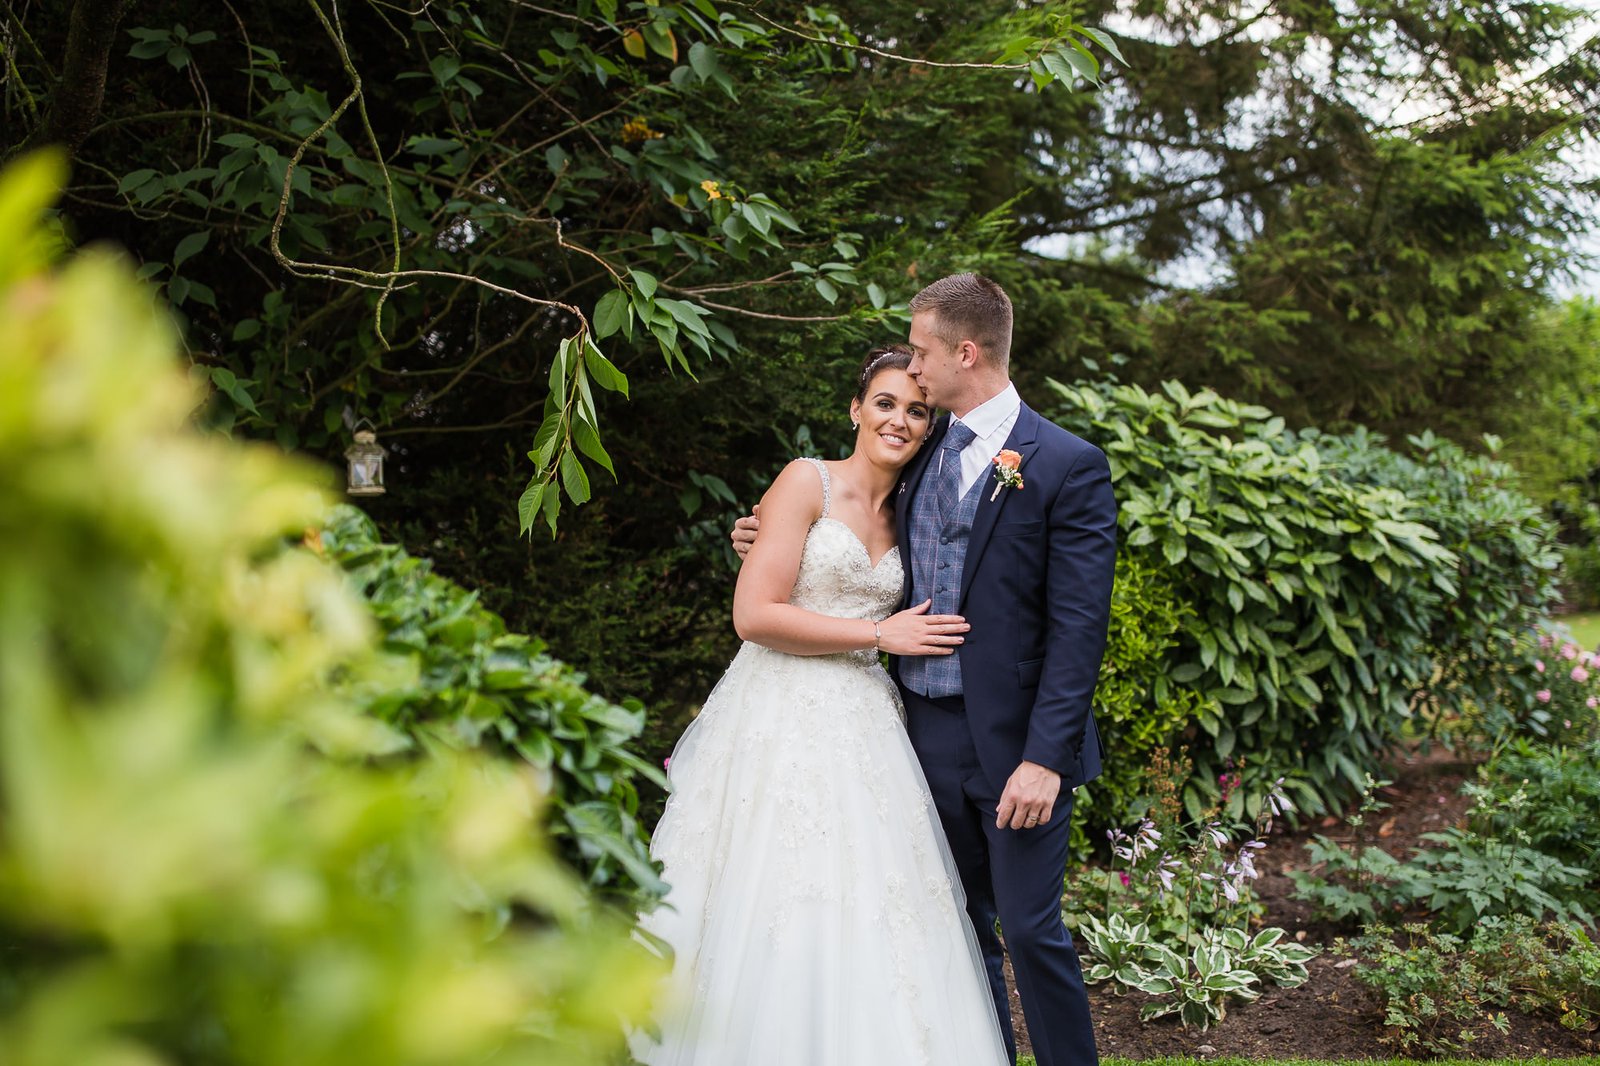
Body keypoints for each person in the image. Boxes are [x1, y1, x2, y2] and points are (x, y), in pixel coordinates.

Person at [732, 274, 1116, 1066]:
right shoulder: (922, 445)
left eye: (922, 351)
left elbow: (1080, 629)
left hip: (1018, 751)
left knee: (1033, 931)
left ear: (964, 352)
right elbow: (850, 520)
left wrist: (1045, 760)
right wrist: (765, 533)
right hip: (918, 736)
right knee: (956, 930)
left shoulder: (1066, 465)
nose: (914, 370)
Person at [633, 345, 1010, 1066]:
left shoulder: (914, 511)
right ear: (856, 409)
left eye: (917, 410)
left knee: (877, 897)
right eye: (886, 403)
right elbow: (754, 615)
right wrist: (879, 630)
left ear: (930, 426)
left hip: (868, 725)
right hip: (778, 712)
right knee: (774, 889)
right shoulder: (805, 482)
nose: (899, 420)